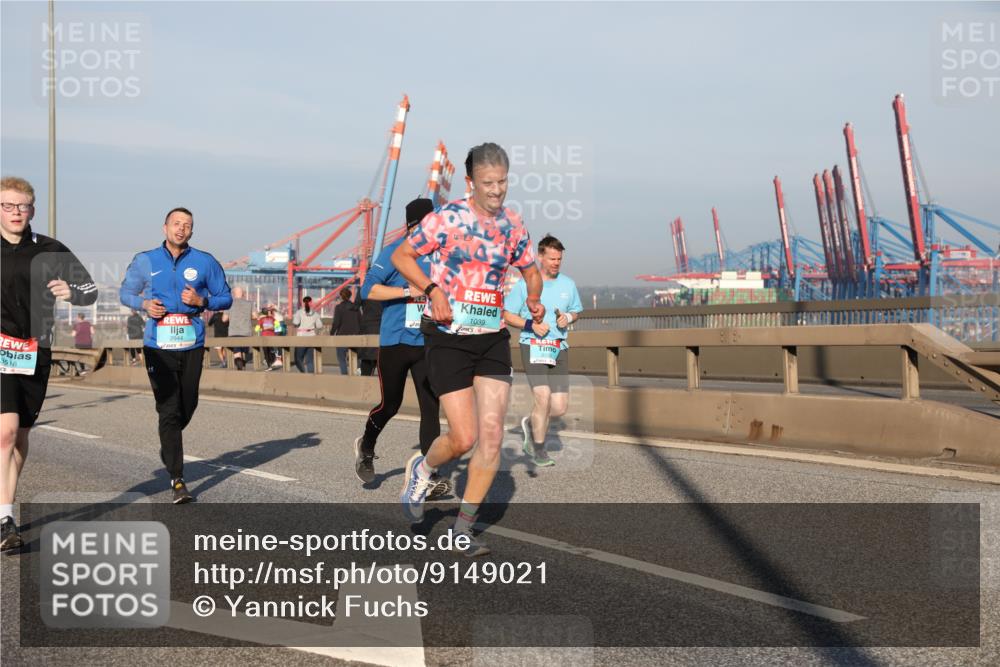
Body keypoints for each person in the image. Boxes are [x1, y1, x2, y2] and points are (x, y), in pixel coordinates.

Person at [392, 143, 544, 557]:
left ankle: (463, 528)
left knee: (491, 438)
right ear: (470, 182)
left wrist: (533, 297)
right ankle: (423, 469)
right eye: (488, 183)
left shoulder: (513, 224)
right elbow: (402, 255)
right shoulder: (446, 218)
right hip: (448, 337)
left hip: (492, 337)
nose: (496, 191)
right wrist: (432, 288)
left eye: (503, 182)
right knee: (464, 437)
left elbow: (530, 269)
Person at [2, 176, 98, 551]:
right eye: (8, 206)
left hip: (35, 352)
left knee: (21, 436)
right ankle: (5, 517)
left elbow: (89, 291)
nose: (15, 213)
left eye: (22, 206)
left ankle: (3, 506)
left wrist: (70, 290)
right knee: (5, 432)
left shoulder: (51, 249)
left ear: (32, 210)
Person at [119, 206, 232, 504]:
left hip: (191, 344)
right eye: (176, 223)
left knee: (188, 403)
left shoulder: (205, 262)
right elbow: (125, 293)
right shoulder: (145, 260)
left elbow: (226, 297)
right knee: (168, 408)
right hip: (157, 346)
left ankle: (168, 442)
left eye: (187, 225)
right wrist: (144, 304)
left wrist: (202, 299)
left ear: (192, 231)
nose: (181, 228)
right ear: (165, 227)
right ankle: (178, 479)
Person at [353, 197, 448, 498]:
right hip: (394, 342)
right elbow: (367, 290)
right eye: (426, 225)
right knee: (389, 405)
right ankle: (366, 445)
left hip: (427, 342)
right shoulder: (394, 252)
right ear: (412, 226)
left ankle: (428, 476)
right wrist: (409, 290)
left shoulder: (440, 255)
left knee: (431, 409)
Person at [504, 235, 583, 466]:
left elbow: (576, 311)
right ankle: (539, 449)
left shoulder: (568, 284)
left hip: (558, 348)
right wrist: (531, 325)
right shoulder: (525, 284)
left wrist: (567, 317)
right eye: (551, 258)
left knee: (558, 407)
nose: (556, 263)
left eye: (559, 259)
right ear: (540, 257)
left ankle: (531, 424)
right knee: (543, 396)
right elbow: (507, 315)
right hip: (533, 346)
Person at [330, 287, 362, 375]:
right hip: (355, 335)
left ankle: (344, 376)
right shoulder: (356, 307)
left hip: (342, 336)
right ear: (350, 296)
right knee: (356, 357)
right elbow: (361, 321)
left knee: (341, 358)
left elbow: (336, 322)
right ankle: (358, 374)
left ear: (341, 296)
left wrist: (331, 333)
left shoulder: (339, 308)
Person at [292, 296, 324, 373]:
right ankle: (311, 377)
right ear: (311, 302)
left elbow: (295, 323)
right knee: (310, 360)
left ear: (303, 303)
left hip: (301, 337)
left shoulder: (299, 312)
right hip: (312, 336)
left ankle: (304, 374)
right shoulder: (315, 314)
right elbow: (319, 326)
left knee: (298, 359)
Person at [227, 286, 253, 370]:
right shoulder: (249, 303)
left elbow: (224, 319)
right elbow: (255, 316)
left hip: (234, 332)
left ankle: (239, 365)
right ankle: (242, 364)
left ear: (233, 294)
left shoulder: (229, 304)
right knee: (243, 350)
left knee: (237, 350)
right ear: (243, 294)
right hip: (246, 332)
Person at [358, 298, 382, 376]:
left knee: (366, 371)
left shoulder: (365, 288)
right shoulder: (388, 288)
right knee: (384, 377)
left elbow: (355, 306)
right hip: (382, 331)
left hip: (367, 331)